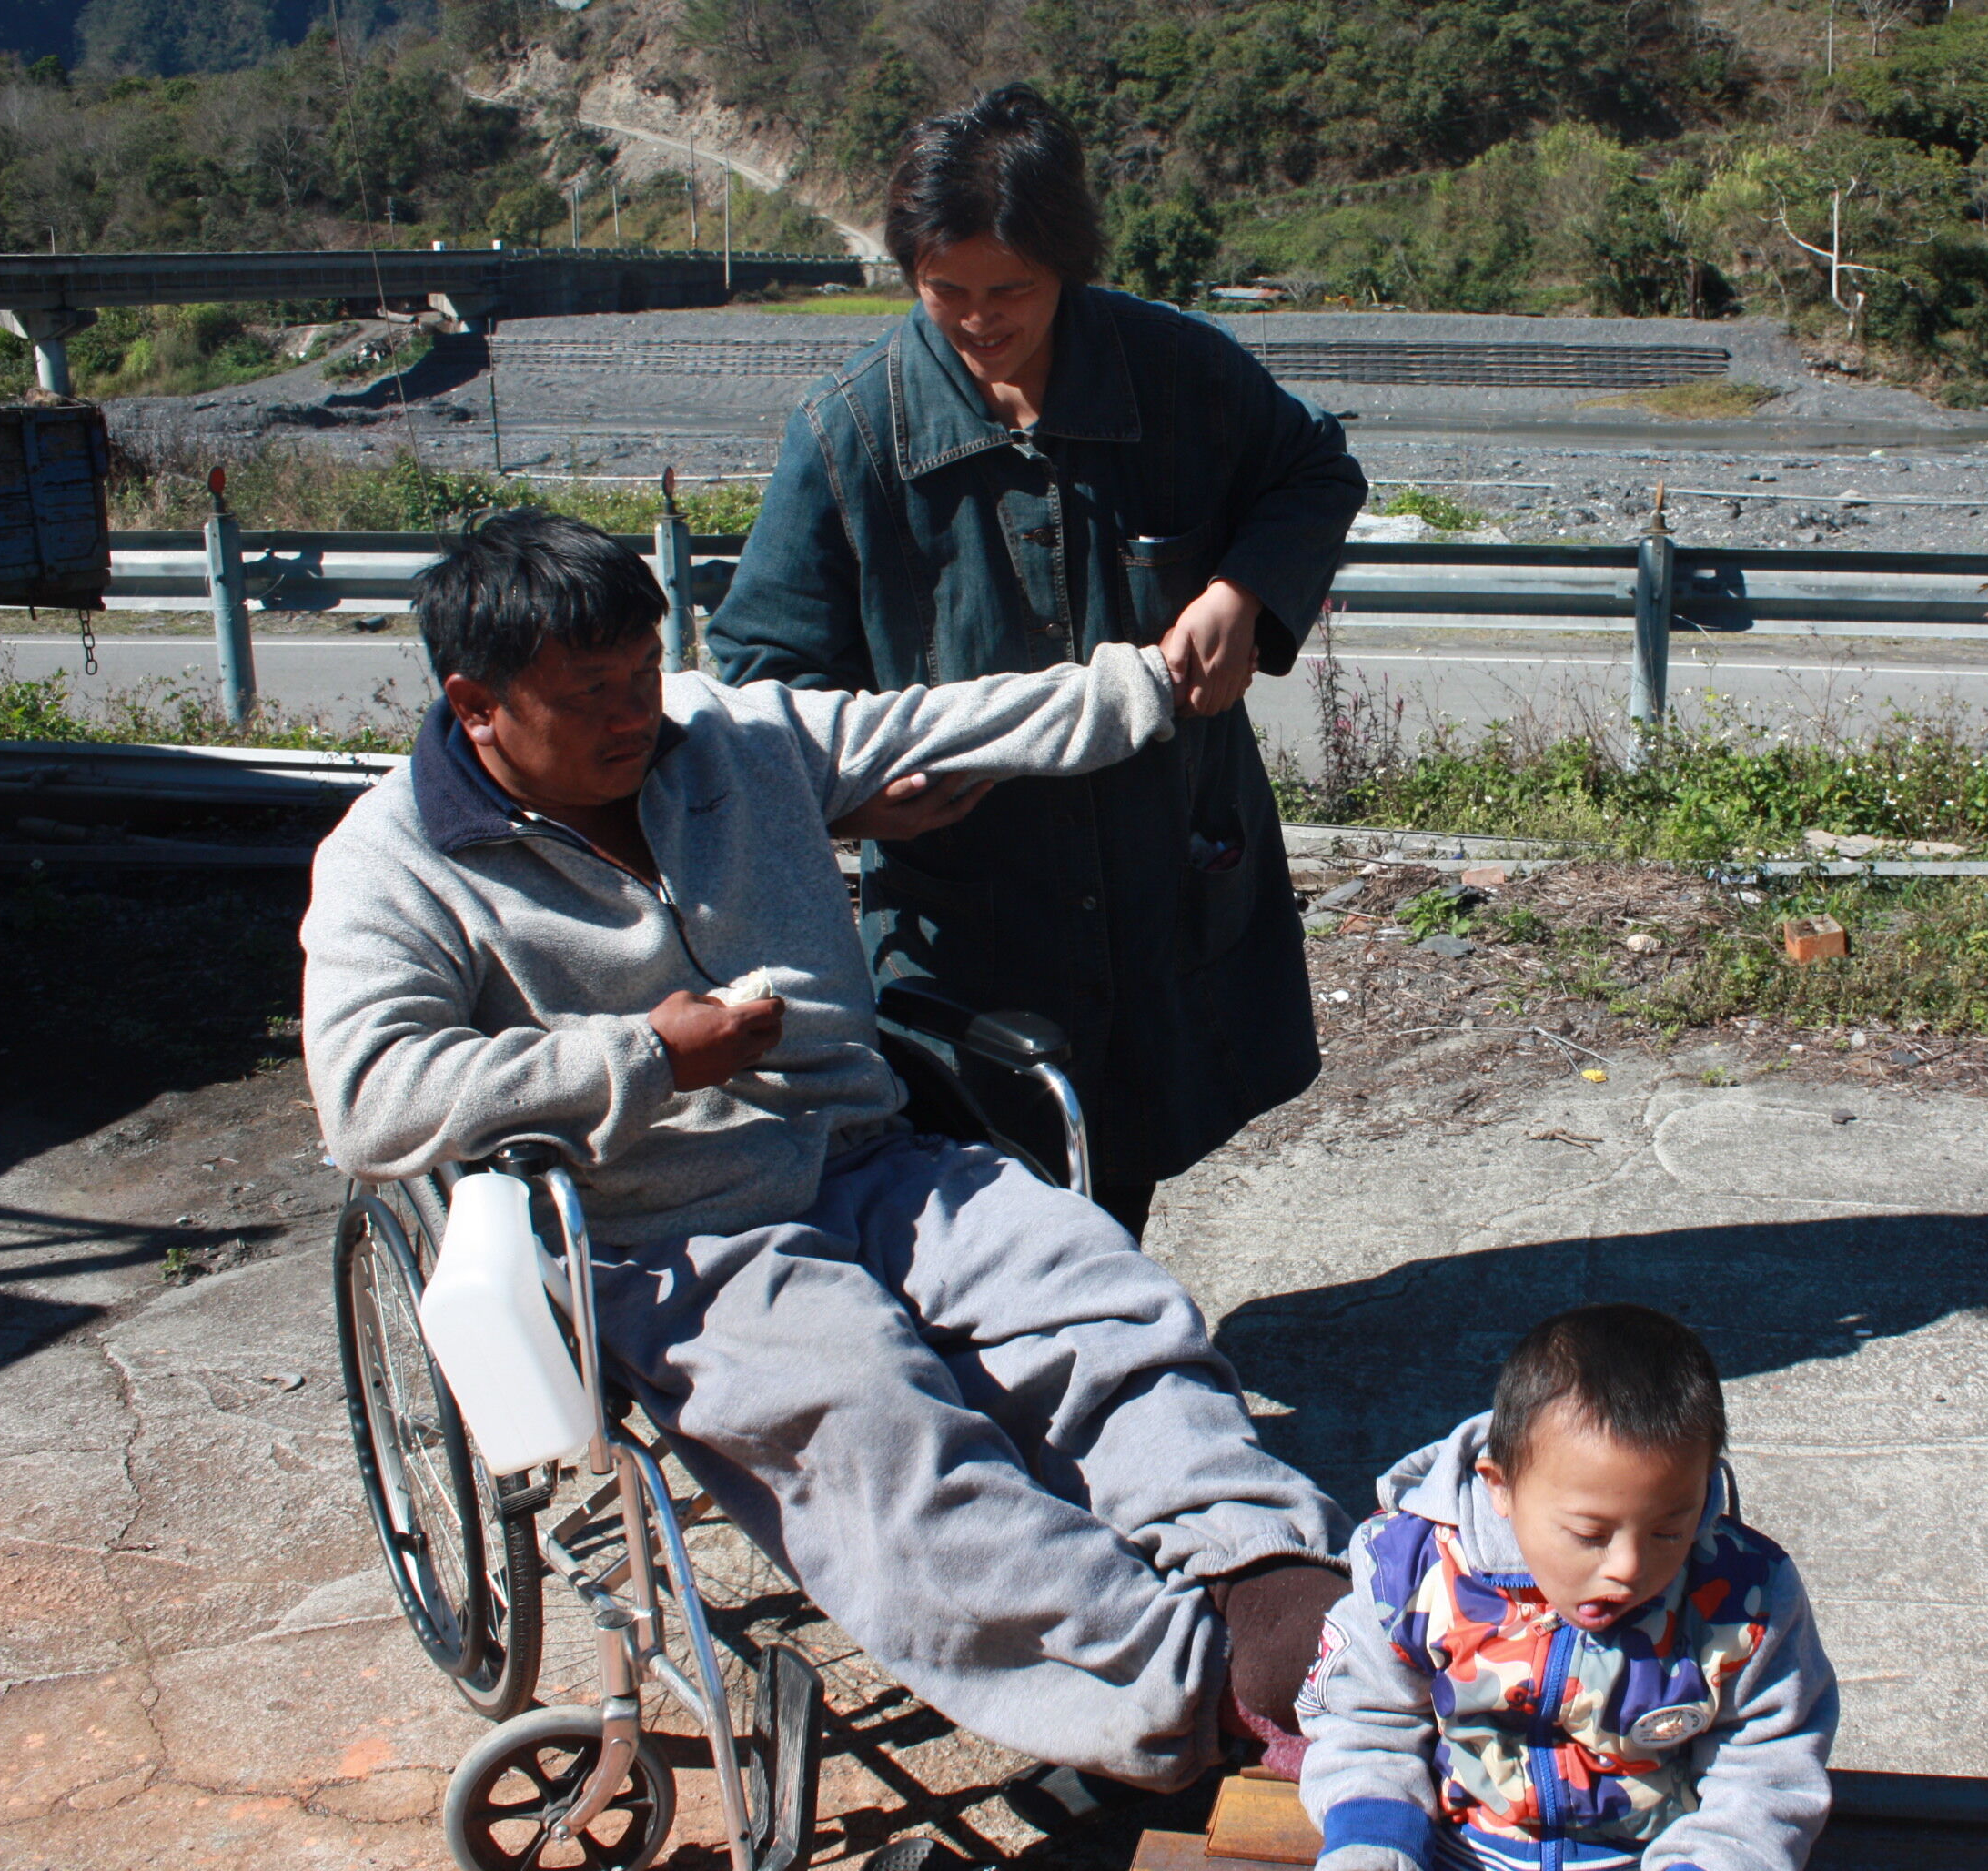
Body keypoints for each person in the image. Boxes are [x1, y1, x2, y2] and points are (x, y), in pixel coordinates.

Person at [301, 510, 1348, 1799]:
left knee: (1096, 1291)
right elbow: (369, 1098)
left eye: (643, 672)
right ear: (477, 706)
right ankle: (1178, 1695)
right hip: (670, 1237)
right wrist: (642, 1057)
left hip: (865, 1157)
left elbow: (945, 723)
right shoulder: (392, 863)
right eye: (592, 697)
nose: (639, 713)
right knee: (879, 1424)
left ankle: (1270, 1586)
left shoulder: (724, 738)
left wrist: (1147, 683)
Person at [707, 82, 1369, 1241]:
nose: (977, 319)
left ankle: (1100, 1350)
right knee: (969, 1192)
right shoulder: (849, 434)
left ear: (1069, 263)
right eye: (944, 290)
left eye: (1010, 290)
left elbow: (1312, 469)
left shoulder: (1173, 371)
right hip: (969, 902)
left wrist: (1242, 589)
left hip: (1164, 857)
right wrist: (860, 796)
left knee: (1122, 1151)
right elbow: (758, 678)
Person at [1298, 1305, 1839, 1871]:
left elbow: (1766, 1767)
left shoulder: (1744, 1599)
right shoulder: (1410, 1573)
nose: (1628, 1567)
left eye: (1668, 1530)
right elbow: (1367, 1723)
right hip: (1456, 1852)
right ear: (1501, 1487)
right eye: (1590, 1533)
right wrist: (1376, 1841)